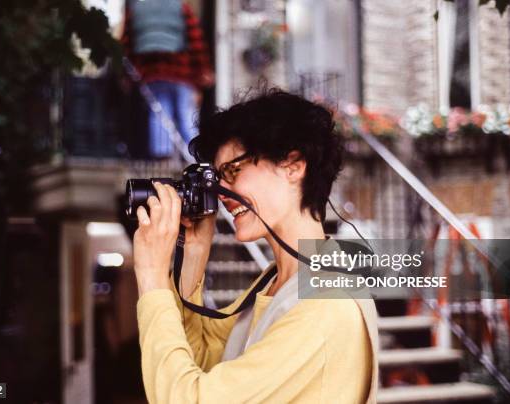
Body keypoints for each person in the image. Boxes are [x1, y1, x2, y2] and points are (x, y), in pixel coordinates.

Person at [132, 90, 378, 403]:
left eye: (233, 171)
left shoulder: (323, 305)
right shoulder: (280, 281)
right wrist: (193, 255)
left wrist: (151, 274)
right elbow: (204, 362)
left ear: (292, 166)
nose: (221, 192)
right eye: (218, 178)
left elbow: (190, 397)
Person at [116, 0, 214, 159]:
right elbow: (196, 41)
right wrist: (203, 71)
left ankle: (163, 162)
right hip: (181, 73)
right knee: (186, 116)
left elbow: (127, 44)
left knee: (159, 117)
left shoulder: (136, 10)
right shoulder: (181, 8)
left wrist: (126, 76)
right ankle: (195, 159)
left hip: (151, 74)